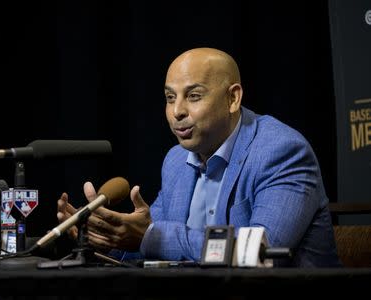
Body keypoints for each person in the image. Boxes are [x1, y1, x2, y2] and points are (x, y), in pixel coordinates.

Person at [57, 47, 341, 267]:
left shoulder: (281, 151)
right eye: (170, 98)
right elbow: (149, 244)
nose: (177, 111)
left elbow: (261, 250)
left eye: (193, 96)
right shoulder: (177, 161)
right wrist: (106, 238)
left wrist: (150, 236)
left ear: (233, 99)